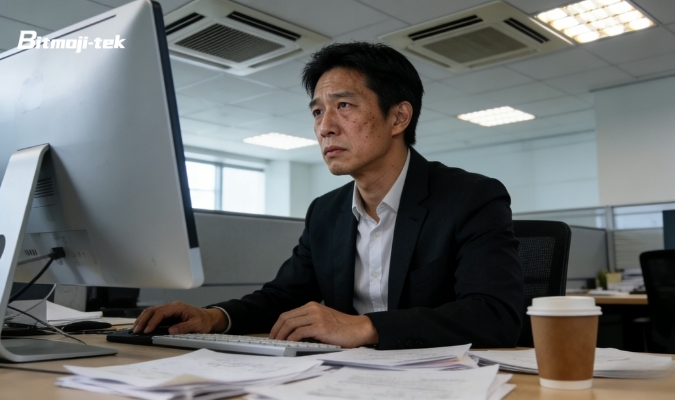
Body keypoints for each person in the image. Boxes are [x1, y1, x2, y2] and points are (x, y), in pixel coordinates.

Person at [134, 42, 524, 350]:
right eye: (318, 112)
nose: (325, 127)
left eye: (344, 105)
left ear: (398, 117)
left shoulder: (470, 197)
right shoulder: (326, 211)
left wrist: (367, 327)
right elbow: (282, 298)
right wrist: (213, 317)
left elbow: (496, 314)